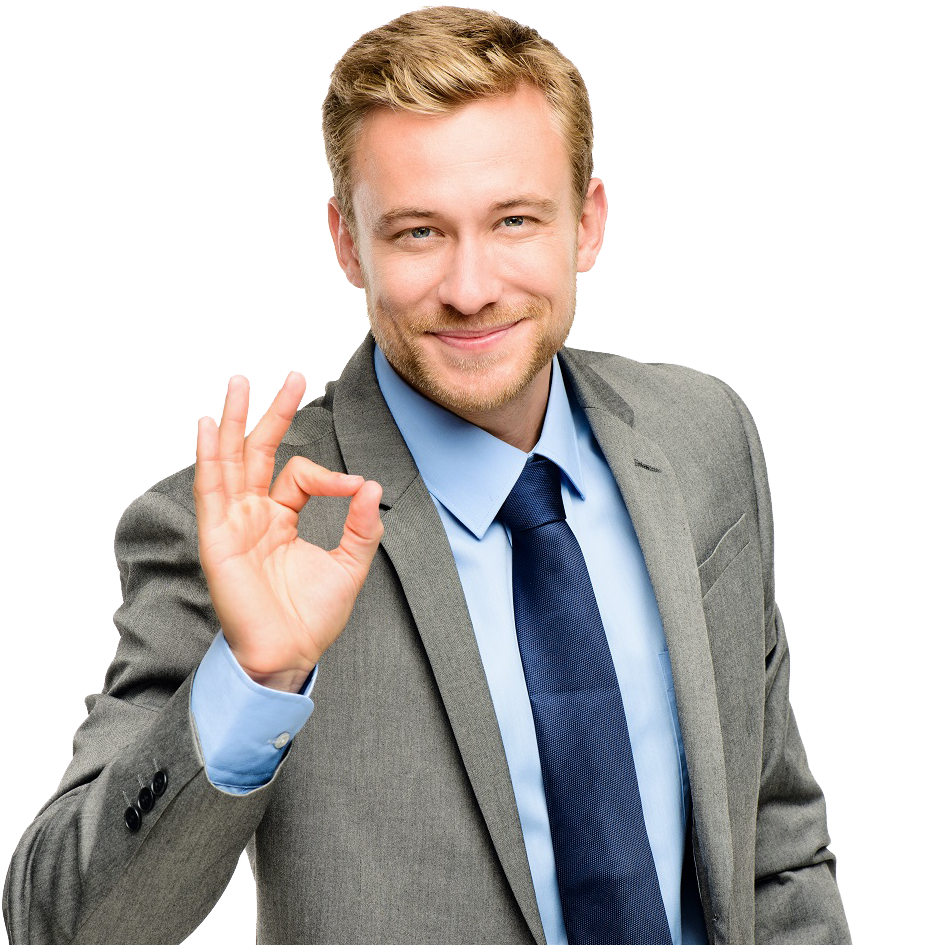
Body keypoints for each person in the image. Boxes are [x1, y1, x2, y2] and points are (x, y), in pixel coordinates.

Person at [4, 7, 851, 944]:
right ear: (347, 242)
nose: (471, 287)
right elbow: (62, 923)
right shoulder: (247, 529)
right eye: (418, 233)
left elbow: (775, 842)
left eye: (515, 220)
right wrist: (254, 675)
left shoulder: (701, 438)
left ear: (588, 222)